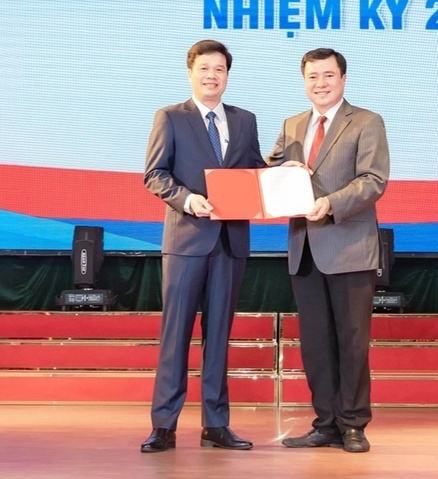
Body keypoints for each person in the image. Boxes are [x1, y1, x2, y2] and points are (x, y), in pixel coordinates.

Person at [141, 39, 264, 453]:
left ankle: (216, 424)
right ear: (190, 72)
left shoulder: (245, 121)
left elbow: (255, 172)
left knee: (219, 336)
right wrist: (187, 199)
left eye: (219, 69)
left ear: (228, 75)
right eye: (204, 69)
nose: (212, 76)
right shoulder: (171, 117)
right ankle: (164, 425)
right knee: (175, 335)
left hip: (231, 242)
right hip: (186, 240)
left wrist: (287, 174)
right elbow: (155, 174)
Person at [268, 47, 389, 453]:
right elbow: (269, 170)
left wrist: (331, 203)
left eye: (328, 76)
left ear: (343, 79)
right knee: (316, 344)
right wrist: (277, 172)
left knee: (352, 341)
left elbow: (373, 180)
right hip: (304, 248)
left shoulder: (367, 122)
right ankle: (325, 423)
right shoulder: (292, 125)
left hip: (349, 245)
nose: (320, 84)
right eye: (312, 77)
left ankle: (353, 424)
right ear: (304, 81)